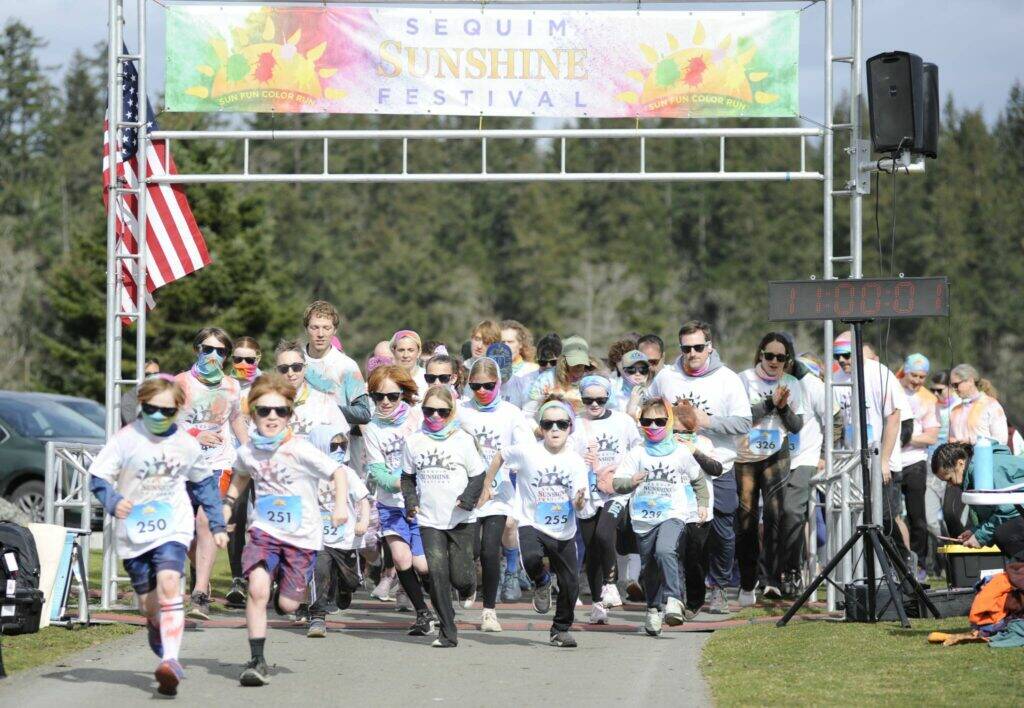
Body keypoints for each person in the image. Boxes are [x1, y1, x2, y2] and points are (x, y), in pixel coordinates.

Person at [89, 375, 228, 697]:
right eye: (151, 409)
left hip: (173, 525)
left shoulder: (185, 442)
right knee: (148, 606)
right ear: (142, 405)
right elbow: (98, 477)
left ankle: (170, 661)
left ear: (178, 410)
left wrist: (218, 526)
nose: (158, 416)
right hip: (135, 530)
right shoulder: (125, 439)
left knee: (170, 584)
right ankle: (156, 627)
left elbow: (205, 485)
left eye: (166, 411)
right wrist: (113, 501)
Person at [221, 374, 349, 686]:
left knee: (289, 605)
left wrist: (341, 507)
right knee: (257, 589)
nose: (272, 417)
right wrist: (227, 503)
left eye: (280, 411)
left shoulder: (301, 449)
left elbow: (338, 472)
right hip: (264, 531)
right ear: (253, 414)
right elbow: (240, 475)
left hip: (301, 536)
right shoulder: (248, 451)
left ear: (290, 415)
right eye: (264, 410)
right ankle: (256, 659)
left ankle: (286, 594)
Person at [647, 321, 751, 614]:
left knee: (722, 531)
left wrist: (706, 422)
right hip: (677, 468)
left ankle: (718, 588)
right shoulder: (667, 376)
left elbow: (744, 422)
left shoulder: (728, 379)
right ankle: (684, 594)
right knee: (686, 534)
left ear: (710, 347)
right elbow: (648, 405)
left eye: (698, 347)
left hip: (718, 465)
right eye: (686, 348)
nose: (692, 353)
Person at [481, 398, 589, 648]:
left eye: (561, 424)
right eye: (548, 424)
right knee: (530, 559)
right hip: (532, 522)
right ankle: (541, 581)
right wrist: (487, 484)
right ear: (540, 428)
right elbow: (500, 455)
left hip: (563, 530)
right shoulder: (528, 451)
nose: (554, 429)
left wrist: (580, 501)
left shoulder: (575, 461)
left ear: (569, 428)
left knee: (570, 584)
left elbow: (579, 503)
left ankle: (560, 629)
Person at [613, 398, 709, 635]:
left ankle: (674, 600)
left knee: (666, 551)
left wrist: (703, 504)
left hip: (673, 514)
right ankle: (653, 609)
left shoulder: (680, 452)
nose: (654, 426)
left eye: (660, 421)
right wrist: (630, 481)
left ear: (669, 421)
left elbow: (698, 479)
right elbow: (617, 483)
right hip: (643, 518)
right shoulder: (637, 453)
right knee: (650, 566)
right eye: (647, 421)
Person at [401, 385, 486, 647]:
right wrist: (411, 501)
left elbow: (478, 475)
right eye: (429, 411)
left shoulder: (463, 439)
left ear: (451, 412)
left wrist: (468, 500)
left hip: (461, 519)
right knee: (437, 575)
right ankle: (447, 632)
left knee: (460, 578)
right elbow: (407, 477)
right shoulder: (413, 441)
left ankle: (470, 583)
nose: (435, 416)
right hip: (429, 520)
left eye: (442, 411)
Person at [174, 327, 249, 621]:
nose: (214, 356)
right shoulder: (181, 383)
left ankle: (200, 594)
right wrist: (195, 433)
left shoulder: (232, 387)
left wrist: (256, 452)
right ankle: (198, 577)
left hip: (219, 464)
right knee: (187, 534)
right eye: (208, 349)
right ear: (197, 350)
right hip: (183, 465)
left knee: (206, 520)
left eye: (221, 351)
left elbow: (236, 422)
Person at [457, 357, 532, 630]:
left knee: (490, 550)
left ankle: (489, 611)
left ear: (498, 383)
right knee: (471, 549)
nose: (482, 391)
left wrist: (496, 482)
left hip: (499, 492)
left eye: (488, 385)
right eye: (476, 386)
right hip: (467, 491)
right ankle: (468, 585)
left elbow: (525, 451)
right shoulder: (459, 410)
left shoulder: (511, 413)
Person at [363, 364, 436, 633]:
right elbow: (378, 471)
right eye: (378, 396)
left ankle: (441, 603)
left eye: (392, 396)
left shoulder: (417, 418)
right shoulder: (371, 428)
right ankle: (422, 614)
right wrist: (403, 481)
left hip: (422, 504)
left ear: (403, 394)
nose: (385, 402)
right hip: (391, 504)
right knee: (401, 559)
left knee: (423, 565)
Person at [734, 332, 804, 602]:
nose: (774, 361)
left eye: (781, 357)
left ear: (787, 360)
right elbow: (742, 419)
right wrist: (769, 403)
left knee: (775, 517)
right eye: (769, 355)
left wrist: (784, 409)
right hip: (746, 456)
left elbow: (797, 426)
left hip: (777, 453)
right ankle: (748, 581)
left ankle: (771, 580)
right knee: (746, 520)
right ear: (760, 354)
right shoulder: (743, 380)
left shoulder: (792, 384)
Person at [832, 331, 914, 560]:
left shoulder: (879, 373)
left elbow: (894, 417)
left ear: (858, 352)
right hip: (852, 462)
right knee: (860, 519)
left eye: (847, 355)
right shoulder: (837, 379)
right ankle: (870, 572)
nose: (842, 360)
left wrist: (884, 460)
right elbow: (837, 423)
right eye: (837, 356)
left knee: (885, 518)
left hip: (881, 460)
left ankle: (904, 565)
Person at [572, 373, 641, 624]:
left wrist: (628, 472)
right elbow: (566, 456)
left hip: (617, 490)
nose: (593, 405)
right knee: (592, 549)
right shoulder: (576, 424)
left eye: (600, 400)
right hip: (589, 492)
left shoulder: (623, 421)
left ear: (608, 398)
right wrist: (581, 462)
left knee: (604, 534)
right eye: (588, 400)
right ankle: (598, 604)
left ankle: (611, 584)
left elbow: (638, 449)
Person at [778, 354, 837, 598]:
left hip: (805, 459)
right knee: (769, 519)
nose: (775, 361)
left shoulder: (813, 385)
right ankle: (771, 575)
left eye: (780, 357)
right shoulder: (768, 382)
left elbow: (835, 419)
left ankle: (793, 569)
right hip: (774, 459)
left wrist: (825, 454)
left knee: (793, 512)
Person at [306, 425, 370, 638]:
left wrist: (363, 521)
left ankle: (344, 587)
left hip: (346, 538)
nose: (340, 450)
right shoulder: (308, 474)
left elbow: (363, 500)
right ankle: (317, 616)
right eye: (334, 446)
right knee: (320, 571)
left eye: (343, 445)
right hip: (319, 537)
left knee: (351, 579)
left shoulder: (347, 473)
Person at [931, 442, 1024, 558]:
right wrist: (975, 531)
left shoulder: (988, 469)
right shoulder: (978, 470)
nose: (949, 485)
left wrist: (980, 536)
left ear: (960, 463)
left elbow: (1008, 510)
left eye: (949, 479)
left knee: (1004, 534)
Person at [224, 336, 263, 608]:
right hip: (233, 460)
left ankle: (265, 574)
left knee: (265, 519)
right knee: (234, 518)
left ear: (258, 359)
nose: (243, 364)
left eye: (249, 359)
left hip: (262, 460)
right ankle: (237, 578)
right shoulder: (225, 385)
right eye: (238, 358)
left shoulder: (265, 385)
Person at [899, 353, 941, 581]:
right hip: (892, 461)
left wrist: (905, 439)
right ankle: (898, 560)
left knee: (918, 517)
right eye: (914, 375)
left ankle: (920, 564)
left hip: (915, 462)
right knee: (891, 516)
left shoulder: (928, 399)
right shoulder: (893, 388)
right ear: (905, 370)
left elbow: (931, 436)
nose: (917, 381)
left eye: (922, 377)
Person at [301, 300, 371, 426]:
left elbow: (363, 413)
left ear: (335, 330)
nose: (320, 334)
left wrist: (328, 410)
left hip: (336, 441)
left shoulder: (347, 365)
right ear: (306, 329)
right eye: (314, 327)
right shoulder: (293, 362)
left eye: (326, 328)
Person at [274, 340, 349, 439]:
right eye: (284, 369)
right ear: (276, 371)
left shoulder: (325, 402)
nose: (290, 373)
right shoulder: (267, 403)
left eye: (296, 367)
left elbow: (342, 442)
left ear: (305, 368)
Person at [524, 335, 593, 418]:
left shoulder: (593, 379)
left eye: (581, 363)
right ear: (563, 361)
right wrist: (538, 430)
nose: (578, 367)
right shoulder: (545, 379)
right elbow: (528, 413)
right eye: (574, 363)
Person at [948, 364, 1009, 445]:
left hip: (985, 456)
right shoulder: (954, 410)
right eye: (952, 385)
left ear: (970, 381)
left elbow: (1001, 440)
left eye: (956, 385)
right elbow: (951, 438)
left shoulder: (991, 405)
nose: (954, 389)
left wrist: (971, 441)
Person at [506, 333, 561, 410]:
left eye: (553, 362)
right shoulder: (524, 381)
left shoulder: (568, 381)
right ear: (537, 360)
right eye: (543, 362)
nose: (548, 366)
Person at [120, 358, 161, 425]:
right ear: (139, 375)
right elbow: (133, 427)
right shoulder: (129, 398)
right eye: (148, 375)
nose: (153, 378)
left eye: (156, 374)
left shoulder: (165, 395)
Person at [611, 349, 651, 418]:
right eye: (632, 370)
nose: (638, 374)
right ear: (624, 371)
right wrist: (632, 407)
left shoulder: (653, 394)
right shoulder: (615, 399)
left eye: (643, 370)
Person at [390, 329, 428, 398]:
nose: (405, 355)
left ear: (419, 352)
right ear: (393, 352)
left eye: (411, 350)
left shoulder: (428, 378)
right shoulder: (386, 378)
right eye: (401, 350)